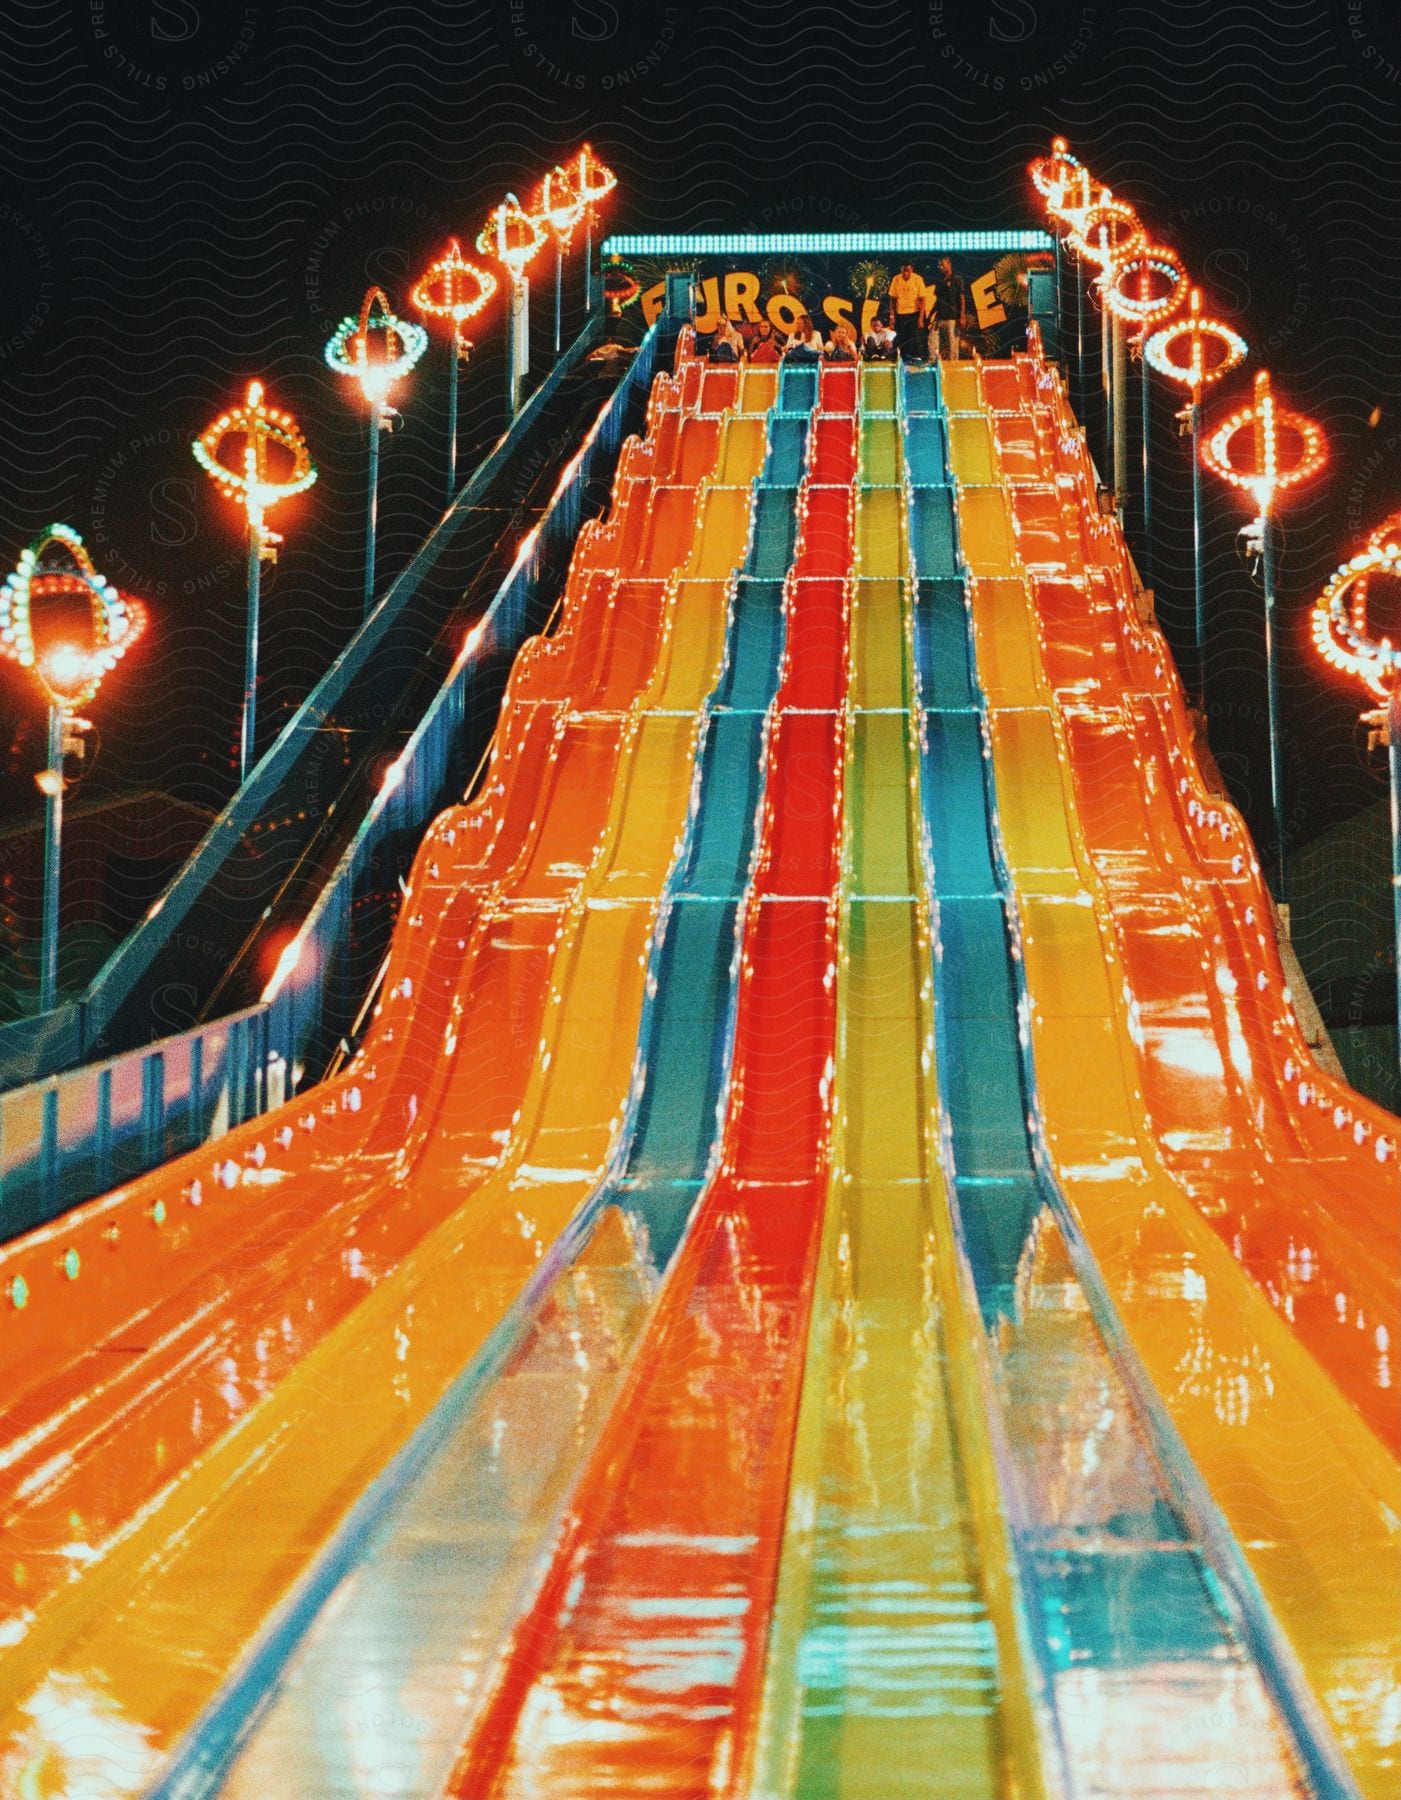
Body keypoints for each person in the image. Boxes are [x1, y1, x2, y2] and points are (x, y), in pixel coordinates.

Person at [929, 256, 971, 362]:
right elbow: (937, 300)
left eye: (942, 264)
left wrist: (962, 316)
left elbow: (962, 298)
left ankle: (953, 366)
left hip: (952, 318)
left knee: (953, 345)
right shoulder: (939, 281)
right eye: (939, 265)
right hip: (939, 317)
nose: (940, 267)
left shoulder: (957, 279)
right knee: (932, 338)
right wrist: (930, 316)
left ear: (949, 263)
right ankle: (933, 362)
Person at [889, 261, 926, 361]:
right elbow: (893, 299)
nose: (906, 273)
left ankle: (915, 358)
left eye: (908, 271)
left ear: (912, 270)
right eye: (904, 271)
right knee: (902, 338)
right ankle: (903, 359)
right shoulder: (896, 279)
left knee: (914, 337)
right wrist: (892, 315)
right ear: (901, 269)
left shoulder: (918, 279)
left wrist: (921, 318)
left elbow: (922, 299)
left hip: (915, 313)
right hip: (900, 313)